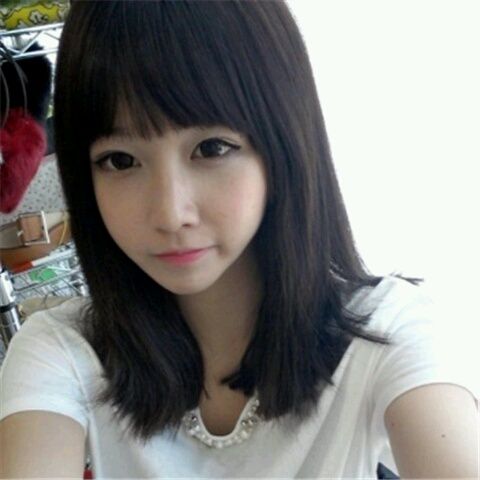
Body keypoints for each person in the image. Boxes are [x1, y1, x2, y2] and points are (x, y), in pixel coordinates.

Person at [0, 1, 478, 478]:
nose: (170, 213)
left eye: (211, 148)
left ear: (283, 145)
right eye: (120, 161)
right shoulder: (60, 351)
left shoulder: (387, 332)